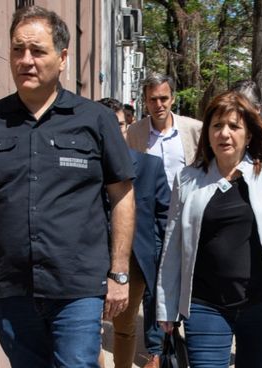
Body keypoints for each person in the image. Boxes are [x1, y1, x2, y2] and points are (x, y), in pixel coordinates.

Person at [0, 6, 135, 367]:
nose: (25, 60)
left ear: (62, 58)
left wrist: (119, 272)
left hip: (77, 288)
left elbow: (122, 195)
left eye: (37, 51)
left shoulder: (95, 120)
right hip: (11, 290)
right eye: (18, 50)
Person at [156, 91, 262, 367]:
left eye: (234, 126)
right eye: (217, 126)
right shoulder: (189, 179)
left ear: (249, 135)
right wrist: (166, 305)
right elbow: (173, 245)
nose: (224, 134)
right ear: (207, 133)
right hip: (205, 305)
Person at [98, 98, 170, 368]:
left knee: (124, 328)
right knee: (89, 329)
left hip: (134, 264)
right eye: (107, 125)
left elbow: (164, 217)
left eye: (120, 125)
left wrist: (162, 264)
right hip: (87, 261)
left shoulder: (150, 166)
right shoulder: (83, 168)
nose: (115, 132)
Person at [126, 73, 203, 189]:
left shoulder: (195, 129)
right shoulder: (134, 132)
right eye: (153, 99)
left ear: (173, 99)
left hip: (186, 202)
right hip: (151, 204)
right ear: (145, 101)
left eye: (163, 98)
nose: (158, 105)